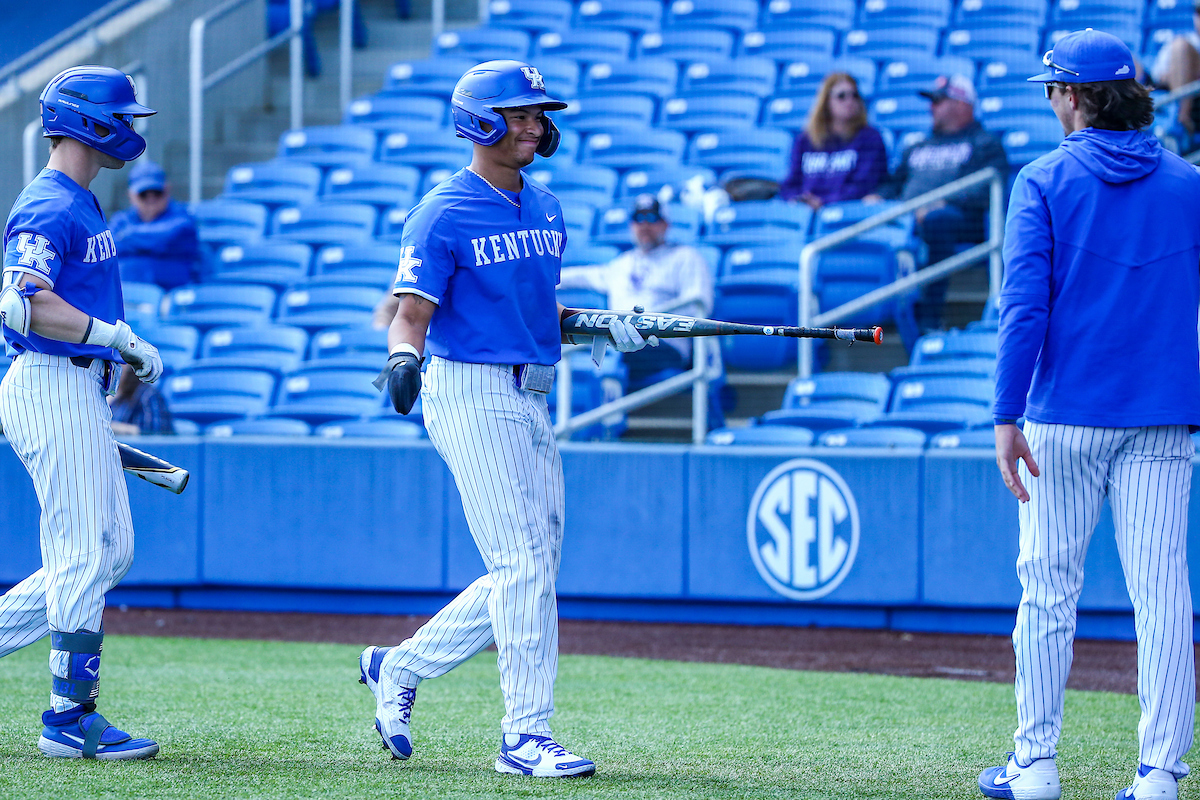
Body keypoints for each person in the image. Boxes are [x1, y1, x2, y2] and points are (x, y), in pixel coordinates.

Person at [361, 60, 652, 778]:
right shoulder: (442, 211)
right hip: (467, 389)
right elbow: (412, 313)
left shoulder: (547, 207)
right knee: (522, 563)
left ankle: (399, 666)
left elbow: (538, 310)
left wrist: (598, 325)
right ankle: (525, 735)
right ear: (479, 121)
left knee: (531, 568)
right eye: (519, 113)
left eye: (536, 114)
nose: (533, 125)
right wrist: (403, 360)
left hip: (531, 393)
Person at [982, 29, 1200, 800]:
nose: (1050, 103)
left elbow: (1022, 311)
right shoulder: (1189, 183)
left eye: (1052, 90)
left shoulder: (1042, 180)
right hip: (1164, 417)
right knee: (1164, 595)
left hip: (1064, 417)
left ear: (1072, 96)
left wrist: (1005, 413)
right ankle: (1160, 775)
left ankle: (1035, 765)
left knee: (1047, 592)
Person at [0, 66, 163, 760]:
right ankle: (68, 719)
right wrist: (113, 337)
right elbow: (21, 301)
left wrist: (109, 350)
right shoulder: (49, 204)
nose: (133, 128)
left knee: (107, 553)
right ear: (87, 120)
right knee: (79, 553)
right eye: (124, 116)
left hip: (76, 386)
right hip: (48, 381)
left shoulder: (82, 197)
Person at [867, 74, 1008, 336]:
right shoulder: (918, 145)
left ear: (963, 105)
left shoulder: (984, 143)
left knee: (938, 220)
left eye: (939, 101)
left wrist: (944, 201)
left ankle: (930, 317)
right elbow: (895, 183)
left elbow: (989, 188)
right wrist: (878, 196)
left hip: (962, 220)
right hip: (910, 218)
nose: (931, 108)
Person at [558, 194, 713, 389]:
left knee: (604, 359)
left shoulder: (686, 257)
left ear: (666, 224)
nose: (645, 225)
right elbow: (583, 276)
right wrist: (541, 277)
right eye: (638, 219)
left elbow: (700, 305)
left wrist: (652, 324)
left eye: (652, 218)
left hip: (663, 343)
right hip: (621, 342)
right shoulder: (622, 264)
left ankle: (605, 404)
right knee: (579, 357)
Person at [778, 72, 888, 210]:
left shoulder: (870, 138)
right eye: (841, 96)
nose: (849, 101)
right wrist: (797, 200)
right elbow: (791, 184)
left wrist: (823, 202)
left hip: (847, 211)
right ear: (826, 101)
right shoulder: (805, 140)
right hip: (806, 211)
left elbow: (863, 186)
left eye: (855, 95)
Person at [109, 160, 199, 290]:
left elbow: (168, 236)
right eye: (143, 194)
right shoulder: (121, 220)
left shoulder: (182, 218)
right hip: (127, 296)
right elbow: (109, 247)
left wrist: (127, 236)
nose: (151, 199)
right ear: (131, 195)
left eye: (157, 192)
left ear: (167, 189)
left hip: (172, 294)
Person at [1149, 7, 1200, 136]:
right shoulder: (1184, 41)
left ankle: (1180, 124)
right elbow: (1159, 75)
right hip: (1186, 99)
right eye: (1198, 13)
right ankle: (1180, 124)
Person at [109, 363, 174, 436]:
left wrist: (113, 428)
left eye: (117, 362)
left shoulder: (148, 395)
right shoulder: (104, 395)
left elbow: (156, 434)